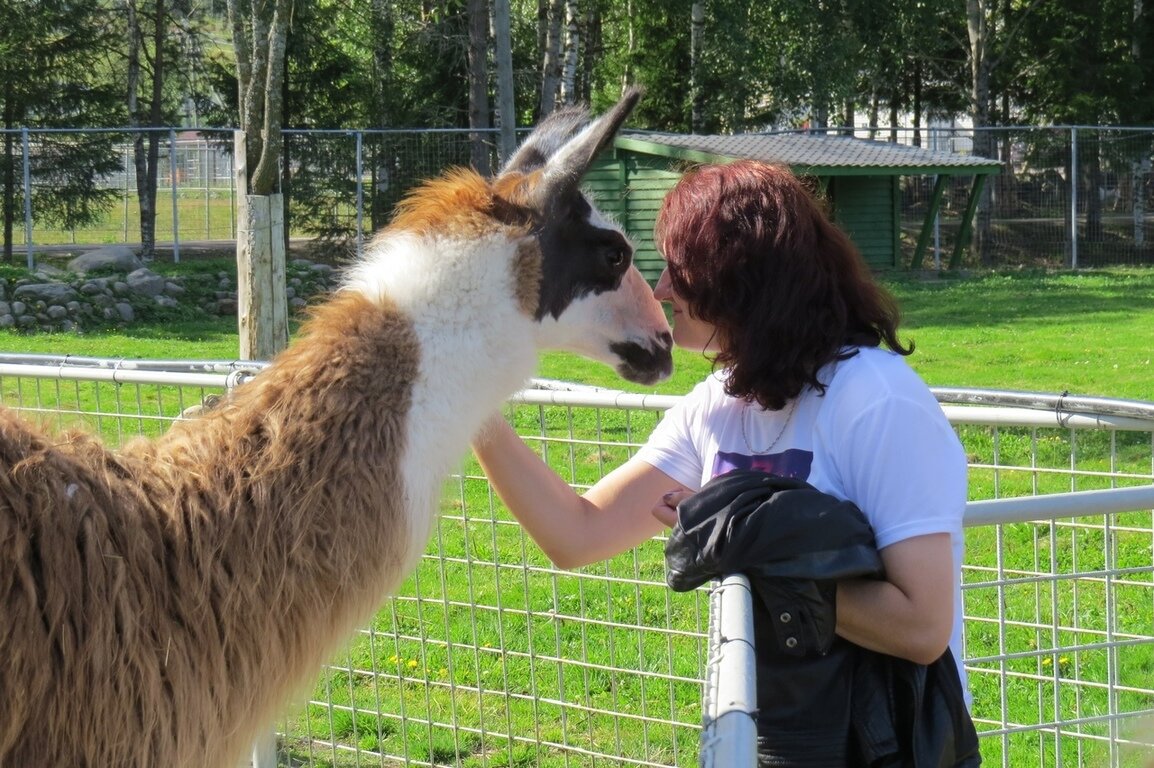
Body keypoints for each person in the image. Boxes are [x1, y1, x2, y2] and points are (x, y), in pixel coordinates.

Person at [472, 159, 970, 715]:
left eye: (680, 269)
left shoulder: (878, 401)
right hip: (766, 735)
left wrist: (746, 552)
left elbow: (922, 627)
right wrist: (466, 396)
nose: (661, 289)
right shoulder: (717, 404)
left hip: (886, 741)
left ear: (740, 277)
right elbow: (577, 534)